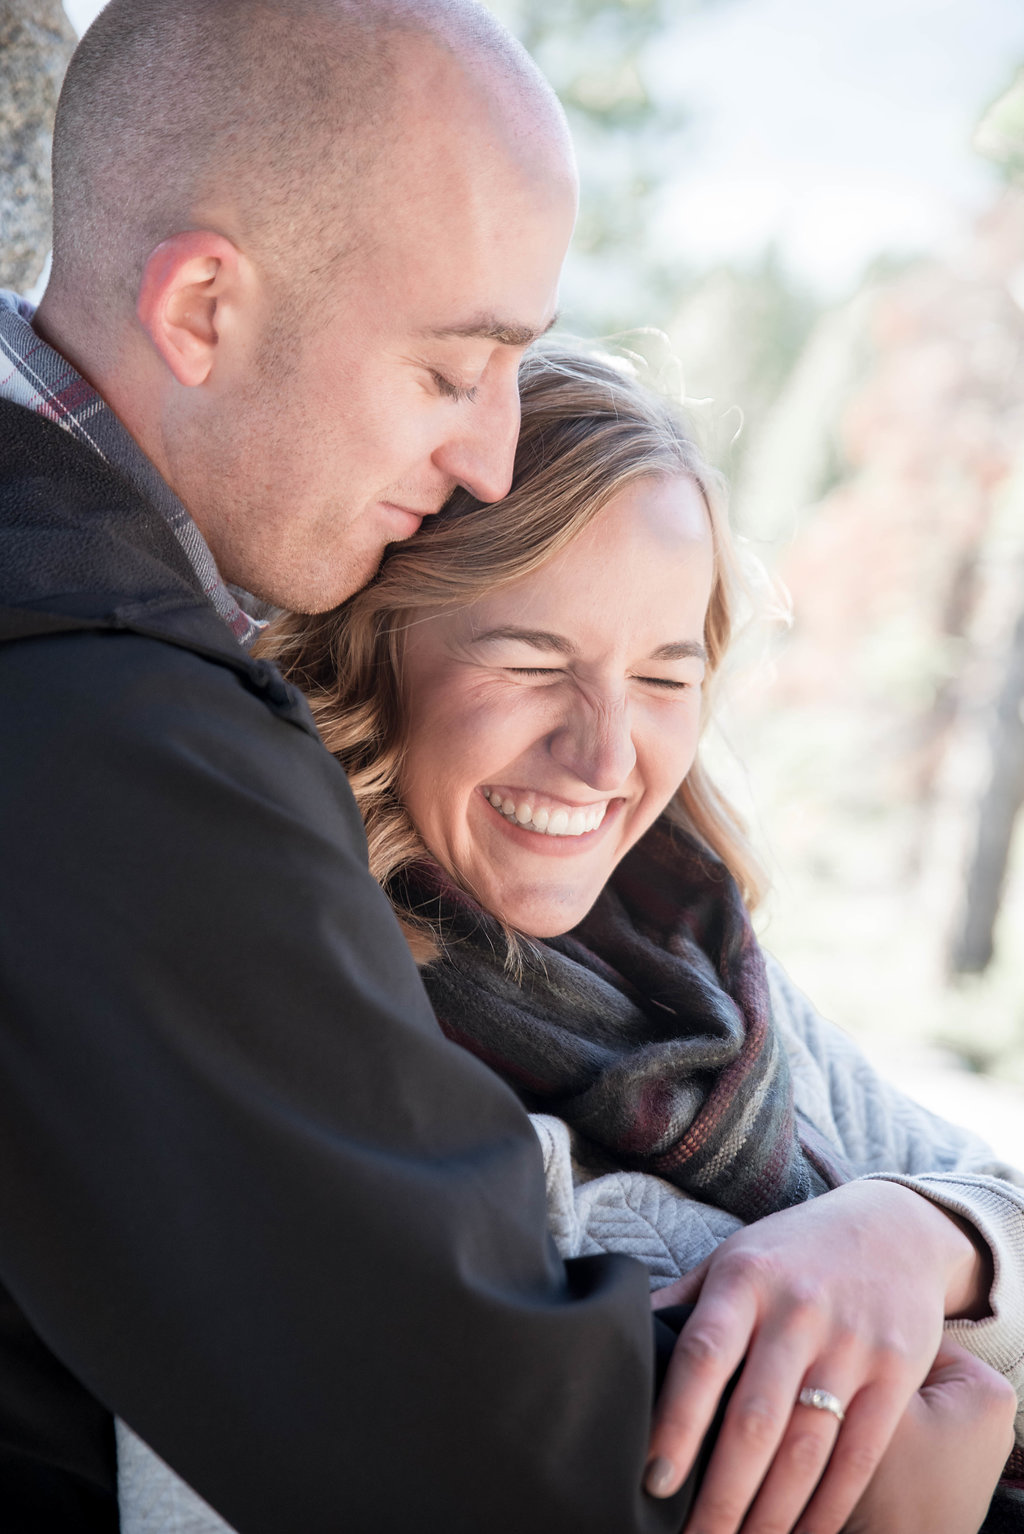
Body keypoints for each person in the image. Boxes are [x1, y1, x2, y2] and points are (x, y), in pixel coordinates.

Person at [0, 3, 715, 1531]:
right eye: (455, 371)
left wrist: (939, 1228)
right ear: (203, 309)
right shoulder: (108, 736)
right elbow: (488, 1458)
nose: (494, 461)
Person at [247, 345, 1023, 1534]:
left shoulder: (686, 963)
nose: (607, 761)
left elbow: (1001, 1197)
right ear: (370, 646)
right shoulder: (312, 1029)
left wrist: (914, 1234)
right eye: (530, 659)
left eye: (664, 677)